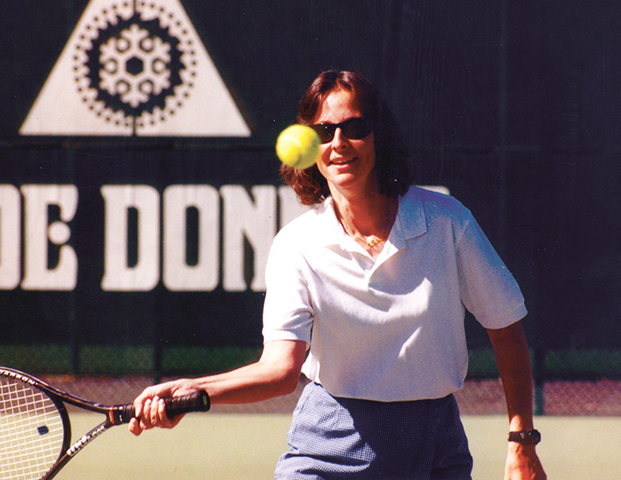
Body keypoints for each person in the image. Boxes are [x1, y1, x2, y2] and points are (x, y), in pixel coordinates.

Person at [129, 70, 546, 480]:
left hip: (435, 445)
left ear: (379, 135)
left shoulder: (446, 222)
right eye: (324, 132)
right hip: (329, 447)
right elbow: (279, 369)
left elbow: (506, 330)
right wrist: (193, 389)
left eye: (355, 128)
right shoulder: (296, 244)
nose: (339, 144)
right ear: (309, 146)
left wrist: (521, 442)